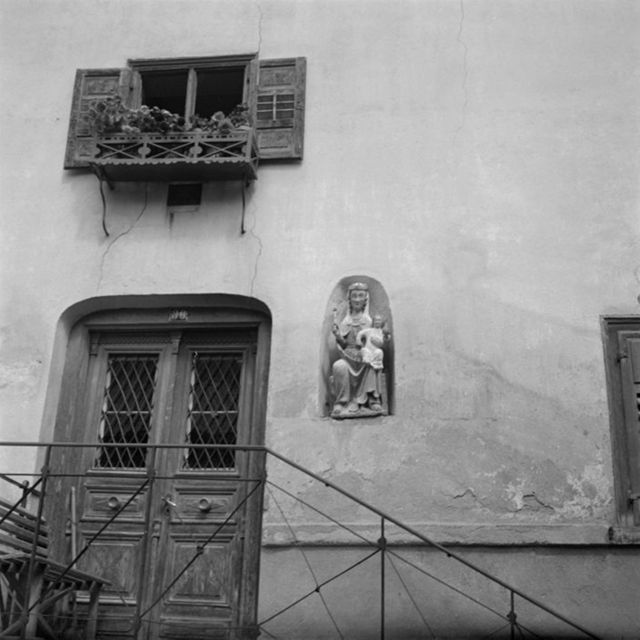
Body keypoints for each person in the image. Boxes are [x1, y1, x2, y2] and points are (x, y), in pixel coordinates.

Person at [330, 283, 386, 418]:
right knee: (338, 366)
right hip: (348, 357)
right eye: (354, 296)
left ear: (365, 299)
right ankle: (342, 402)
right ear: (349, 299)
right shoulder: (346, 321)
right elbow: (343, 345)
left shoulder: (369, 321)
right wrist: (338, 335)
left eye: (360, 296)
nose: (357, 299)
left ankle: (372, 400)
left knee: (371, 364)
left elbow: (375, 340)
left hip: (364, 355)